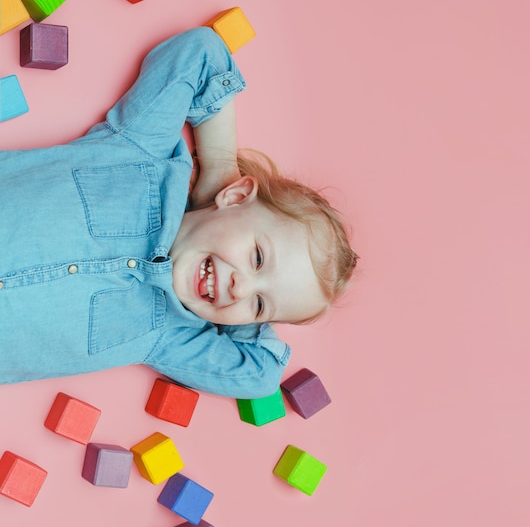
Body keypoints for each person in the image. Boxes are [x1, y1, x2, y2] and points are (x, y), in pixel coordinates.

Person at [0, 27, 357, 399]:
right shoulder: (143, 157)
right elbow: (203, 52)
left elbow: (260, 375)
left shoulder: (172, 336)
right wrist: (218, 173)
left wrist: (242, 308)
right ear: (236, 197)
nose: (241, 287)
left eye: (260, 304)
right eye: (257, 258)